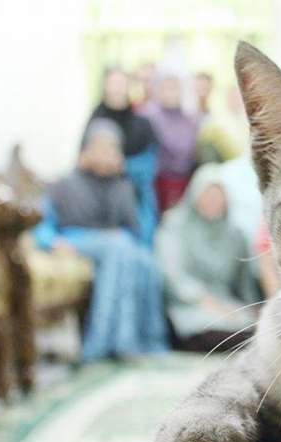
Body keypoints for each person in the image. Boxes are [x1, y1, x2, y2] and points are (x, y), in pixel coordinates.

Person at [34, 119, 168, 362]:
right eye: (102, 147)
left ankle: (149, 341)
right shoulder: (64, 184)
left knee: (146, 261)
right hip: (74, 239)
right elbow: (40, 224)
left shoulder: (121, 185)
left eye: (113, 148)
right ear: (85, 150)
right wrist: (51, 242)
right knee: (119, 247)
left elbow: (137, 228)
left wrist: (123, 181)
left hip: (116, 244)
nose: (108, 154)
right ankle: (102, 345)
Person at [156, 165, 261, 352]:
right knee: (212, 327)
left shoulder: (234, 234)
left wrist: (252, 306)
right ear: (195, 195)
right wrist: (206, 301)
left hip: (226, 304)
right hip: (189, 305)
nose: (213, 201)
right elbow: (172, 276)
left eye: (218, 195)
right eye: (208, 194)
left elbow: (244, 282)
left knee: (255, 326)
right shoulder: (174, 227)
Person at [87, 66, 159, 246]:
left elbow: (151, 164)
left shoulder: (142, 123)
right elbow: (83, 159)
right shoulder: (94, 120)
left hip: (136, 195)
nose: (117, 89)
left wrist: (123, 166)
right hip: (98, 196)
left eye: (121, 83)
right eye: (112, 83)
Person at [142, 73, 199, 213]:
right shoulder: (148, 116)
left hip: (184, 182)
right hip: (155, 182)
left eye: (175, 88)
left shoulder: (190, 120)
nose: (171, 93)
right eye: (166, 87)